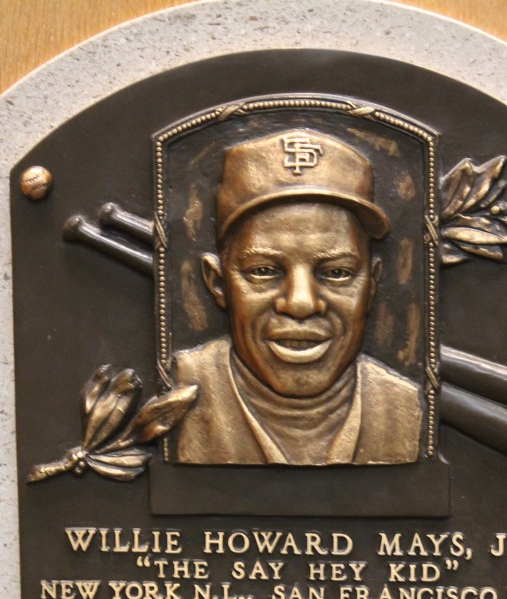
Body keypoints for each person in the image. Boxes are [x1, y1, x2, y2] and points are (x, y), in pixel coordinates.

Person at [173, 127, 425, 465]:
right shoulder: (175, 394)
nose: (301, 303)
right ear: (218, 283)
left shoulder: (402, 406)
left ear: (372, 284)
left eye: (337, 273)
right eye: (264, 271)